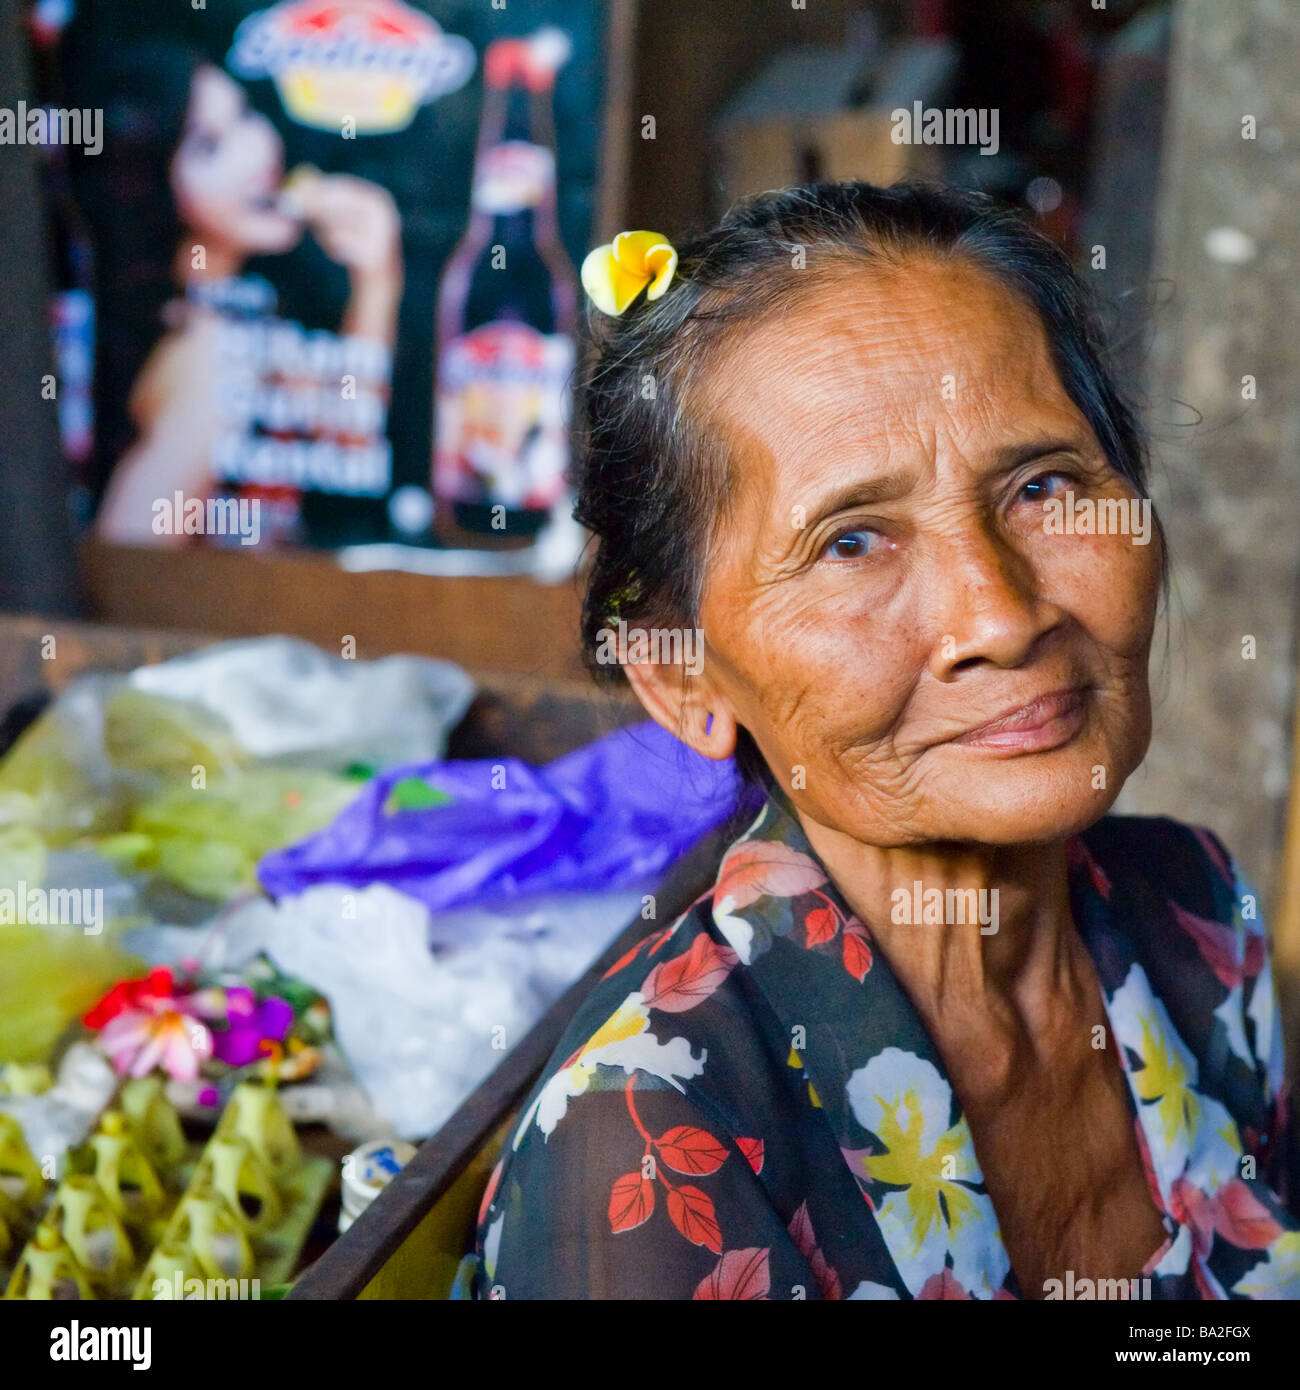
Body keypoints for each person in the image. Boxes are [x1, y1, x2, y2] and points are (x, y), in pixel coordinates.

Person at [472, 180, 1298, 1300]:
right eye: (853, 540)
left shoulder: (1193, 913)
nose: (1000, 617)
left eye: (1042, 484)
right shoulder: (647, 1148)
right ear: (682, 675)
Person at [72, 44, 402, 544]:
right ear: (154, 180)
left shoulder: (239, 310)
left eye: (245, 115)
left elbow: (347, 445)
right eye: (208, 146)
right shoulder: (204, 350)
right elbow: (131, 549)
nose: (255, 154)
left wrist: (378, 279)